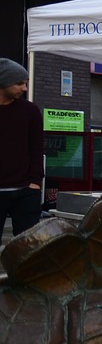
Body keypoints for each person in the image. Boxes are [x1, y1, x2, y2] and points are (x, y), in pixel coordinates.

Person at [0, 59, 43, 246]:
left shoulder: (30, 111)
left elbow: (36, 147)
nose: (24, 88)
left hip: (25, 191)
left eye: (25, 83)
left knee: (26, 249)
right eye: (19, 83)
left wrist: (35, 182)